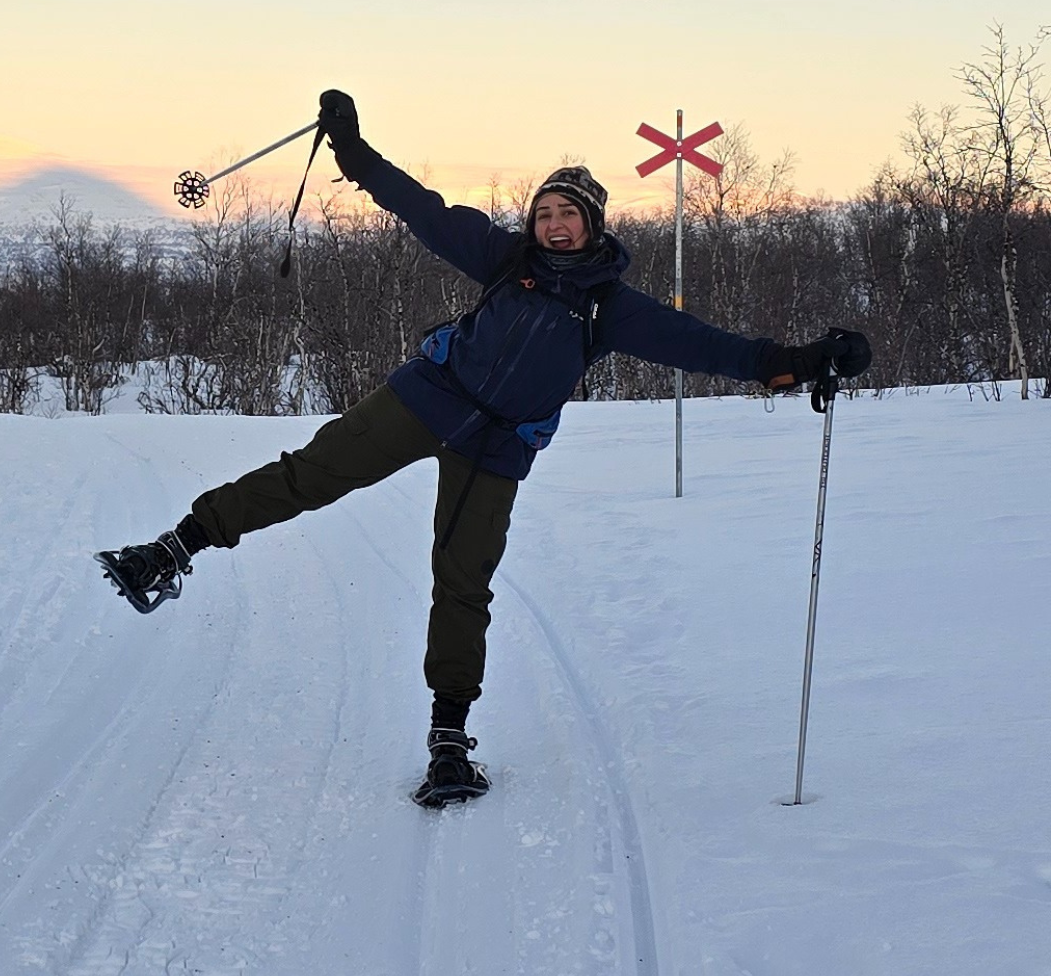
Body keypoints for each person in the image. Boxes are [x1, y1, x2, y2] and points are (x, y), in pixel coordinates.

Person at [94, 90, 873, 808]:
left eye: (568, 214)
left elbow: (713, 348)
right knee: (309, 475)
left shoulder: (611, 307)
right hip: (425, 398)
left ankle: (448, 740)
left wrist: (802, 360)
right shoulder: (506, 260)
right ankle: (170, 548)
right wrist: (352, 151)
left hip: (498, 449)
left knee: (462, 582)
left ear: (594, 224)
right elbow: (418, 207)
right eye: (545, 213)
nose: (554, 225)